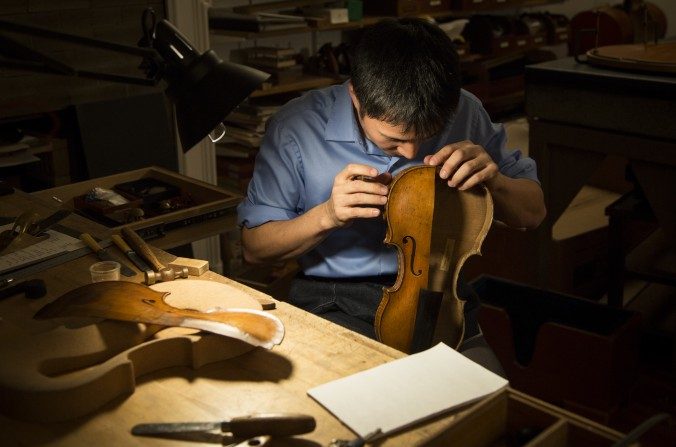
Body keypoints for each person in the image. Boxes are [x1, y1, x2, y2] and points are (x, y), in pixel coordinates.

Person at [236, 18, 546, 374]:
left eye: (428, 135)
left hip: (441, 295)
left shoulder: (467, 110)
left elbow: (533, 213)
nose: (411, 152)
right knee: (365, 405)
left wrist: (495, 181)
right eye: (393, 140)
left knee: (485, 401)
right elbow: (254, 248)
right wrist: (328, 215)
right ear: (356, 96)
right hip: (337, 298)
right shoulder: (296, 127)